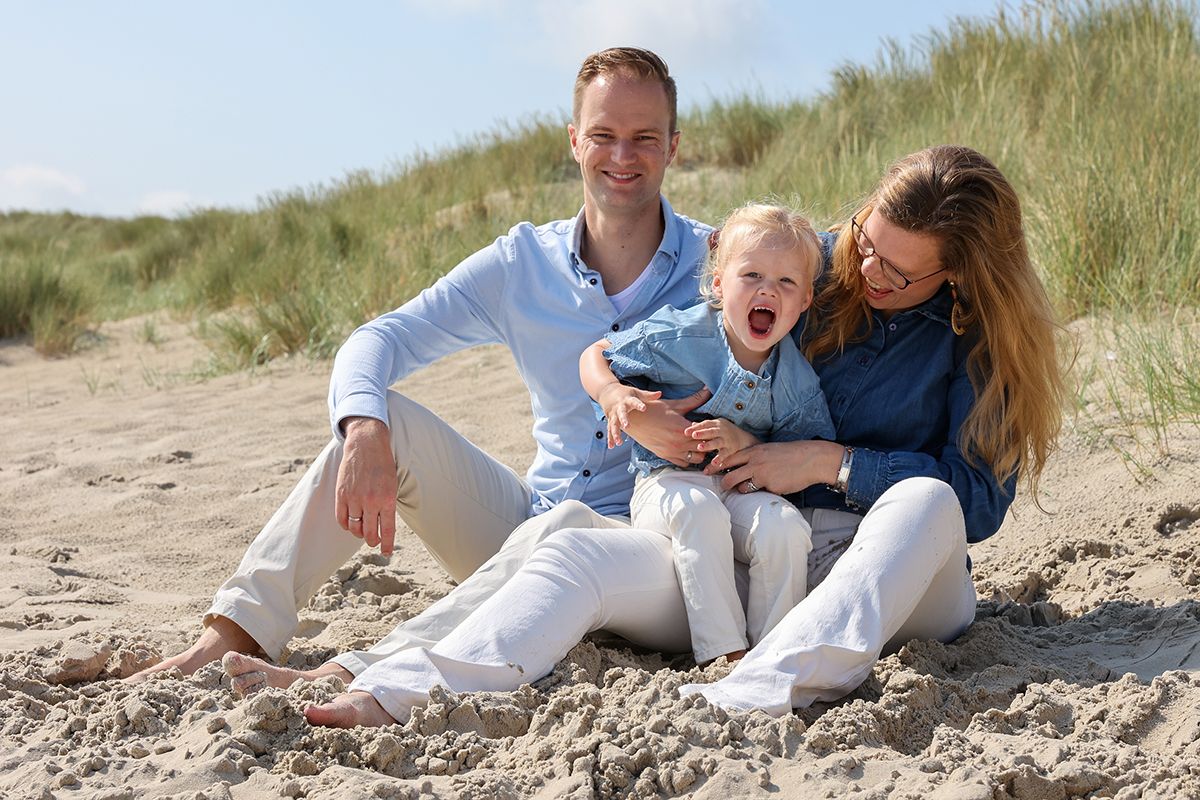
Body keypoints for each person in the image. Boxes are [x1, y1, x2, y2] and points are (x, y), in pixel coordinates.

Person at [216, 144, 1063, 727]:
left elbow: (976, 502)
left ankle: (771, 684)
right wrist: (643, 409)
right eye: (866, 242)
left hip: (895, 579)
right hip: (751, 551)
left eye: (896, 270)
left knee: (922, 499)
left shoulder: (977, 338)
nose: (865, 271)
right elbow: (674, 339)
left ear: (956, 274)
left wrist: (827, 461)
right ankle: (391, 681)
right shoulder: (810, 269)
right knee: (572, 545)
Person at [131, 47, 714, 704]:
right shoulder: (524, 263)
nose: (622, 156)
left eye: (644, 138)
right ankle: (232, 635)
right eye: (604, 135)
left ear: (673, 147)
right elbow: (380, 338)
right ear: (575, 141)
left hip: (659, 556)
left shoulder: (722, 267)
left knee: (568, 528)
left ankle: (355, 672)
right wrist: (362, 429)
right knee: (386, 423)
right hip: (526, 526)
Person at [579, 202, 835, 665]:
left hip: (737, 490)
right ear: (719, 283)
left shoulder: (796, 382)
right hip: (666, 486)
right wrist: (612, 394)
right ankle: (725, 657)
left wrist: (749, 444)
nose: (768, 291)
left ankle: (775, 656)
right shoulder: (683, 336)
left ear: (804, 302)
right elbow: (596, 354)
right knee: (699, 510)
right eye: (752, 275)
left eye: (786, 282)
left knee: (784, 527)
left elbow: (801, 459)